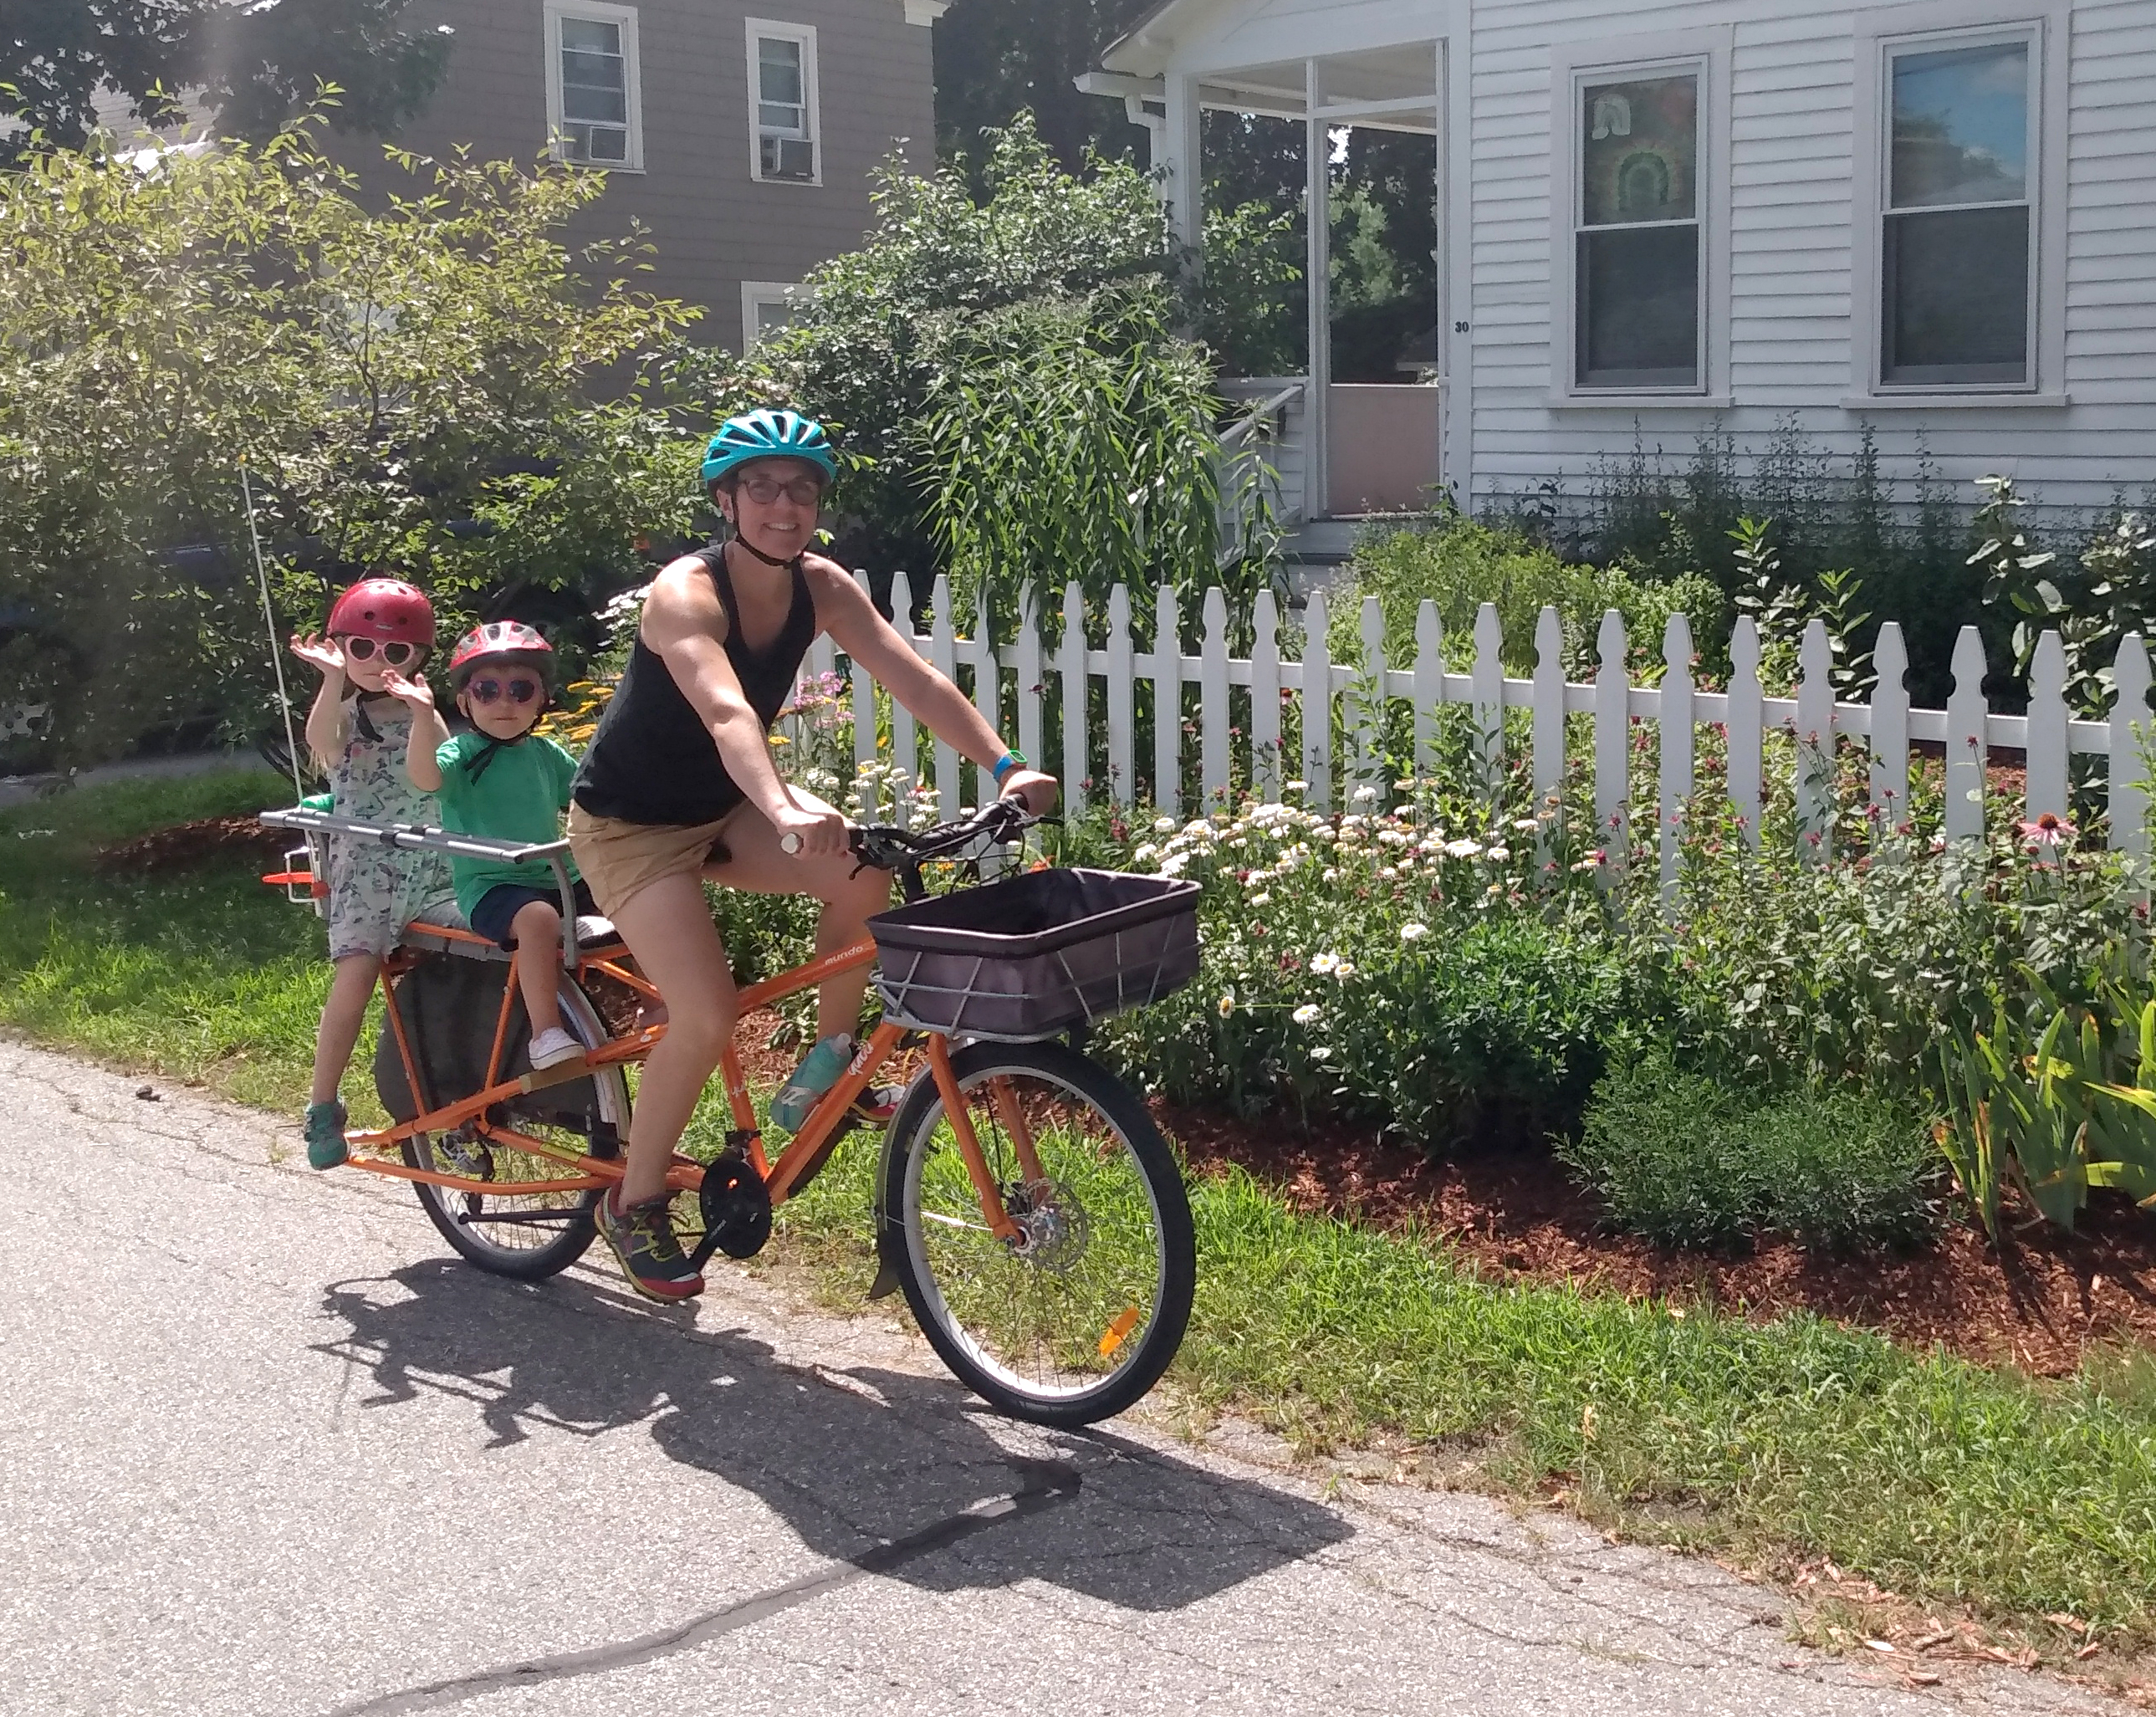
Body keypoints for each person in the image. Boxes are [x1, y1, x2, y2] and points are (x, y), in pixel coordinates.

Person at [568, 408, 1058, 1301]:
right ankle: (633, 1204)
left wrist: (1007, 765)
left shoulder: (822, 586)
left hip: (721, 809)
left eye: (801, 488)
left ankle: (829, 1062)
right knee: (706, 1013)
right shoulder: (685, 594)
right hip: (632, 826)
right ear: (726, 500)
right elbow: (725, 714)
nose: (783, 506)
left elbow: (915, 678)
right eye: (761, 487)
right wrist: (786, 802)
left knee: (865, 874)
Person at [289, 577, 455, 1169]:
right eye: (361, 648)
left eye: (395, 651)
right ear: (342, 647)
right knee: (355, 978)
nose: (376, 662)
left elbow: (430, 771)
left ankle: (458, 1089)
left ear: (418, 658)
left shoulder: (425, 714)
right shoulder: (343, 713)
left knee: (473, 957)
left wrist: (422, 712)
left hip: (432, 865)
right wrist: (332, 678)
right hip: (366, 872)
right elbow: (322, 743)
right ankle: (322, 1104)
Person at [401, 621, 595, 1071]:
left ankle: (664, 998)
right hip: (492, 886)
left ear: (543, 698)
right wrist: (420, 717)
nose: (505, 702)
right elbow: (426, 778)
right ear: (465, 701)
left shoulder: (545, 753)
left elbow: (590, 795)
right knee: (538, 918)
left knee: (636, 892)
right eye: (487, 690)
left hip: (555, 875)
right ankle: (546, 1034)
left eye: (521, 690)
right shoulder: (463, 754)